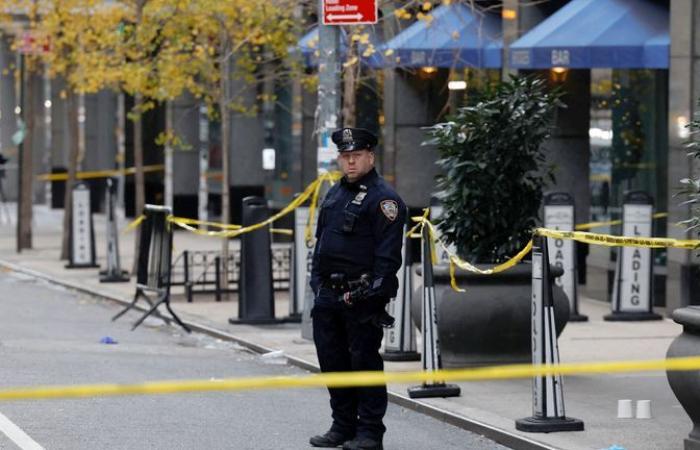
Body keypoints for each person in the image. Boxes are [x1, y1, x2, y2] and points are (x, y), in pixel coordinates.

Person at [309, 128, 406, 450]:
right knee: (333, 364)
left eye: (356, 156)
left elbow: (388, 256)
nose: (350, 162)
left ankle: (370, 433)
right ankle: (342, 427)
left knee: (363, 364)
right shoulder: (335, 193)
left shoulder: (384, 199)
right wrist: (316, 282)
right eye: (345, 157)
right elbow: (321, 242)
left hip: (360, 296)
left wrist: (372, 294)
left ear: (370, 157)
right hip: (328, 294)